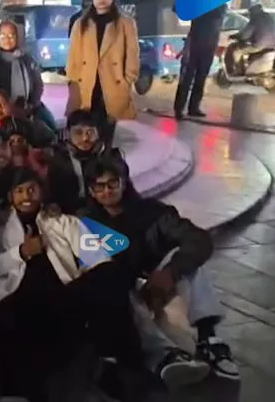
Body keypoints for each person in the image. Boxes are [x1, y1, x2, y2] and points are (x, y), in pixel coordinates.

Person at [0, 168, 143, 401]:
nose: (26, 196)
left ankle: (115, 360)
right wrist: (22, 252)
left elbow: (98, 258)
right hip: (22, 298)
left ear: (41, 191)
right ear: (11, 196)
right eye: (19, 191)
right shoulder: (2, 231)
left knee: (110, 274)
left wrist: (90, 275)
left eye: (32, 189)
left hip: (64, 293)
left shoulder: (63, 221)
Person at [82, 158, 239, 383]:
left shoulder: (153, 212)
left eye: (112, 183)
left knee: (190, 261)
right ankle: (164, 355)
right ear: (91, 191)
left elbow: (198, 239)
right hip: (125, 295)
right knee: (112, 282)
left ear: (123, 182)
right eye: (99, 186)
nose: (106, 191)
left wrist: (169, 274)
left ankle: (208, 338)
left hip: (159, 284)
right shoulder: (88, 224)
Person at [66, 0, 139, 128]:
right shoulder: (81, 24)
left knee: (109, 128)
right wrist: (73, 81)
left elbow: (133, 54)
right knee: (87, 127)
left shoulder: (126, 23)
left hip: (114, 82)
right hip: (87, 83)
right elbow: (73, 56)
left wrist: (128, 79)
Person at [0, 20, 56, 131]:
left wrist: (32, 105)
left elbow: (38, 85)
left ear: (17, 37)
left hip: (28, 107)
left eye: (11, 36)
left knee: (49, 127)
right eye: (3, 35)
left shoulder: (27, 59)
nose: (7, 39)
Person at [174, 4, 225, 119]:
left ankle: (194, 107)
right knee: (187, 77)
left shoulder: (219, 6)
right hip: (194, 43)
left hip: (209, 45)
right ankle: (179, 108)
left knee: (201, 78)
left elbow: (218, 16)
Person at [231, 3, 275, 72]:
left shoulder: (255, 19)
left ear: (252, 12)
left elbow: (244, 35)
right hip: (272, 46)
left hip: (260, 46)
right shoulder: (269, 17)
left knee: (237, 51)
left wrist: (235, 36)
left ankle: (239, 72)